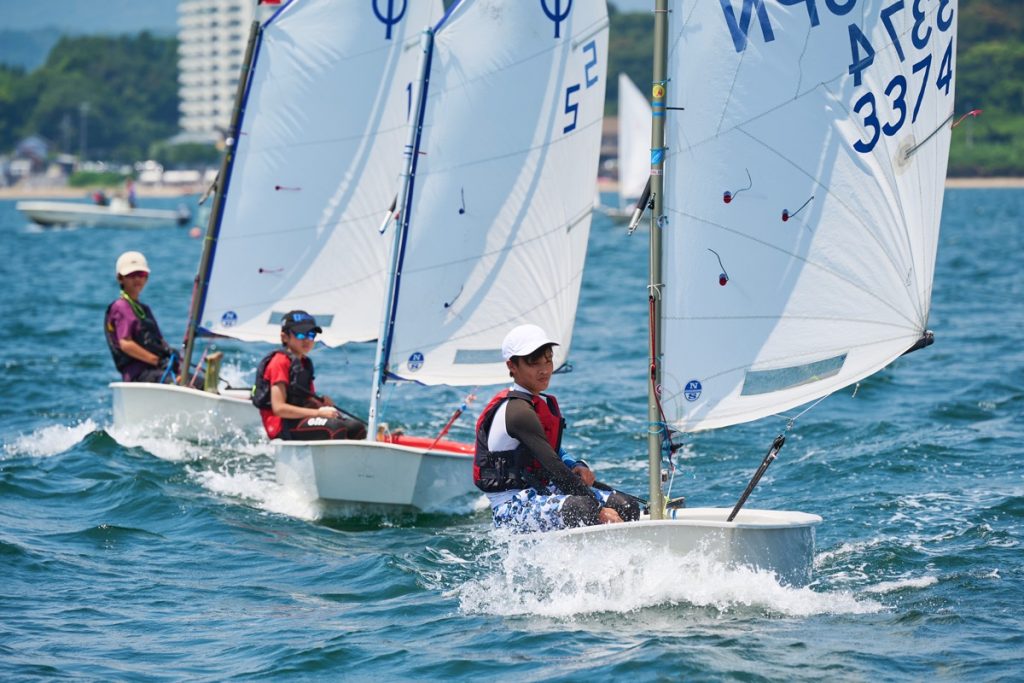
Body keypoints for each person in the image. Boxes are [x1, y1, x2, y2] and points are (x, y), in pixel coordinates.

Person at [474, 324, 641, 532]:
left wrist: (576, 464)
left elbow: (556, 452)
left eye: (548, 360)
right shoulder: (518, 411)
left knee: (625, 505)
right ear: (512, 366)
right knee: (584, 508)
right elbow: (553, 465)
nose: (544, 370)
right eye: (534, 363)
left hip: (542, 492)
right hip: (511, 507)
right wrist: (599, 509)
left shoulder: (535, 404)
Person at [251, 310, 368, 441]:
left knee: (356, 428)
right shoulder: (280, 361)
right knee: (334, 427)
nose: (307, 340)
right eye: (300, 335)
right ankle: (329, 461)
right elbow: (279, 408)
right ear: (284, 337)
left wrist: (321, 404)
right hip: (281, 425)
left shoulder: (305, 363)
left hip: (299, 419)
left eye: (311, 335)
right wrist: (318, 413)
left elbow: (307, 400)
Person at [104, 251, 179, 383]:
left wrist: (172, 356)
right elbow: (125, 344)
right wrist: (156, 360)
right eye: (131, 275)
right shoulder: (120, 307)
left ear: (147, 278)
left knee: (197, 381)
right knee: (185, 383)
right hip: (138, 375)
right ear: (120, 278)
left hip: (156, 371)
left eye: (141, 274)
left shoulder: (144, 309)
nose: (137, 279)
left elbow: (159, 341)